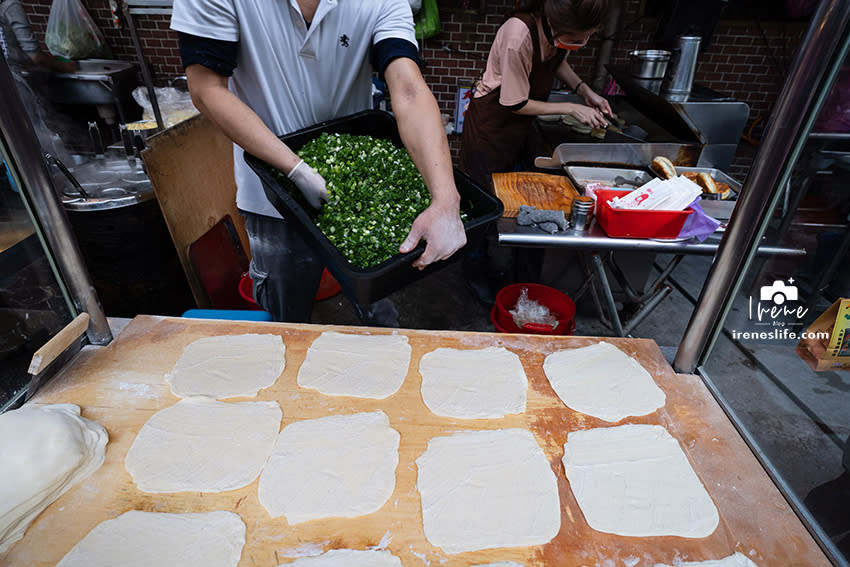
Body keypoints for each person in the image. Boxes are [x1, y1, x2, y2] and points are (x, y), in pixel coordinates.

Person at [170, 0, 467, 324]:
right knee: (285, 313)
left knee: (373, 301)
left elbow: (409, 91)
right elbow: (206, 89)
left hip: (355, 187)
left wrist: (446, 200)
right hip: (272, 194)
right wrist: (294, 168)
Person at [459, 0, 612, 191]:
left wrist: (585, 91)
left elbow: (557, 62)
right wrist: (572, 108)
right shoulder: (518, 36)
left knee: (505, 190)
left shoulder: (555, 33)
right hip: (489, 127)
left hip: (515, 128)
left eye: (587, 37)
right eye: (575, 39)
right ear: (554, 22)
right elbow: (515, 104)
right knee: (482, 193)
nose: (580, 43)